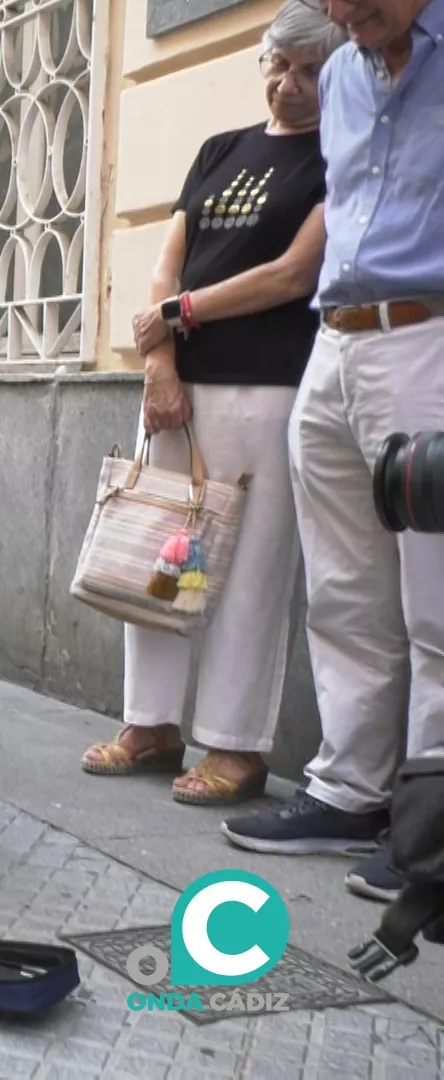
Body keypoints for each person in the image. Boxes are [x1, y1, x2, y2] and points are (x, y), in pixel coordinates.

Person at [82, 4, 345, 806]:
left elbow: (293, 275)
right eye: (277, 64)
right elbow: (168, 264)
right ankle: (152, 724)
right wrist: (160, 359)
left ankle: (235, 746)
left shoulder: (340, 156)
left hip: (267, 389)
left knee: (253, 571)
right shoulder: (220, 150)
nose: (288, 83)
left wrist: (182, 316)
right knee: (170, 561)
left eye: (308, 71)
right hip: (180, 392)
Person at [222, 0, 444, 904]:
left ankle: (431, 829)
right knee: (345, 589)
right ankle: (350, 792)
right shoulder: (348, 70)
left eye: (361, 0)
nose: (345, 16)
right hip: (337, 343)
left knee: (436, 598)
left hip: (428, 339)